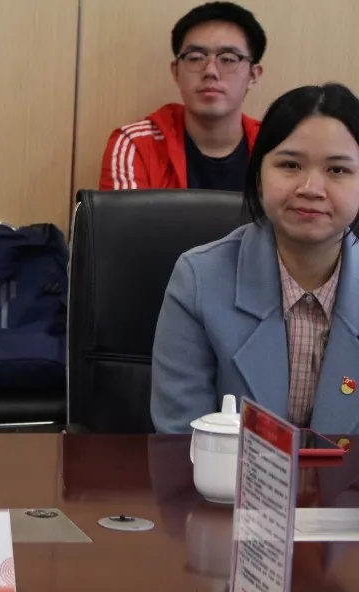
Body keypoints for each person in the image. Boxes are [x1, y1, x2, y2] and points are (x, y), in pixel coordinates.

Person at [151, 83, 359, 434]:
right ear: (259, 177)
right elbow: (181, 439)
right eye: (290, 165)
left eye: (337, 170)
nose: (311, 188)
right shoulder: (199, 280)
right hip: (221, 472)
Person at [99, 2, 265, 191]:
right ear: (176, 72)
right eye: (196, 58)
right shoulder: (137, 145)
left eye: (228, 59)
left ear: (253, 75)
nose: (210, 71)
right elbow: (125, 212)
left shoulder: (274, 146)